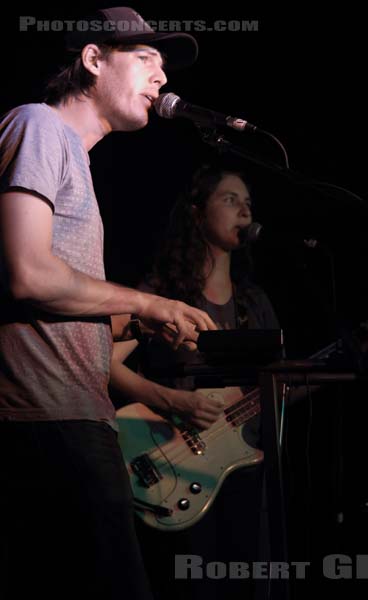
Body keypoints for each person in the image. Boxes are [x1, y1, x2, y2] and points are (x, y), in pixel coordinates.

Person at [0, 7, 217, 600]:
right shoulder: (39, 126)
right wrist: (147, 302)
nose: (162, 80)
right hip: (49, 423)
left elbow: (56, 306)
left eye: (163, 67)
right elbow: (28, 274)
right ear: (93, 60)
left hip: (77, 418)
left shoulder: (76, 158)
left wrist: (136, 323)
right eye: (147, 59)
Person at [110, 164, 281, 600]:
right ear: (197, 213)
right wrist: (168, 399)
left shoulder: (254, 301)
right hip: (172, 462)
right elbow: (104, 362)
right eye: (230, 200)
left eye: (248, 203)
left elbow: (277, 386)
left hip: (244, 468)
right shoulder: (164, 292)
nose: (244, 211)